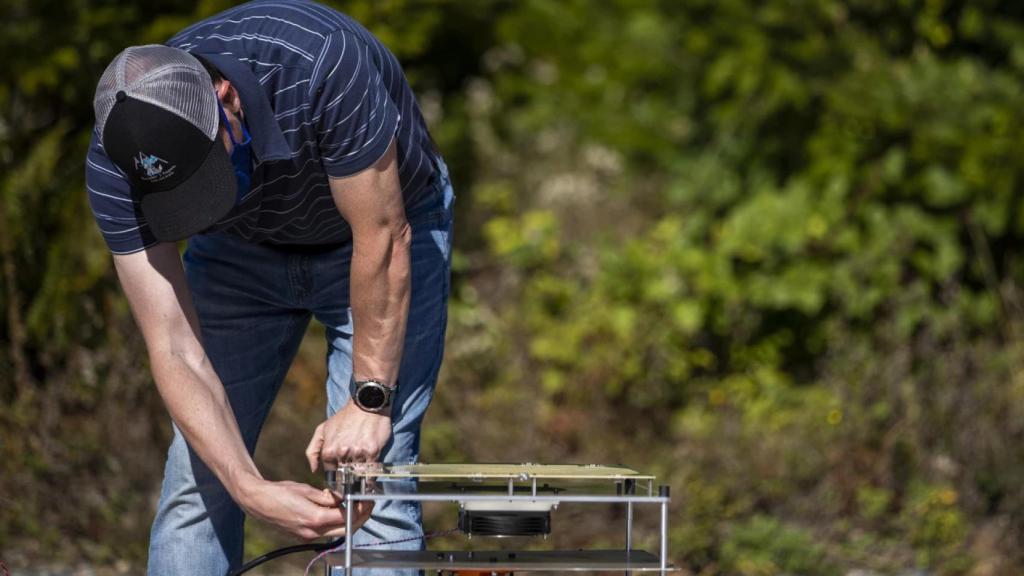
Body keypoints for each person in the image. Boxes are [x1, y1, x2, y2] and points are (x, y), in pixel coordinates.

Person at [84, 1, 454, 573]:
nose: (197, 198)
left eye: (204, 173)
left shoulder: (322, 64)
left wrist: (369, 398)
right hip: (239, 253)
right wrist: (246, 486)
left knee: (370, 486)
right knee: (197, 486)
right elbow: (174, 346)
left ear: (227, 97)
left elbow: (382, 236)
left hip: (379, 237)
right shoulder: (117, 161)